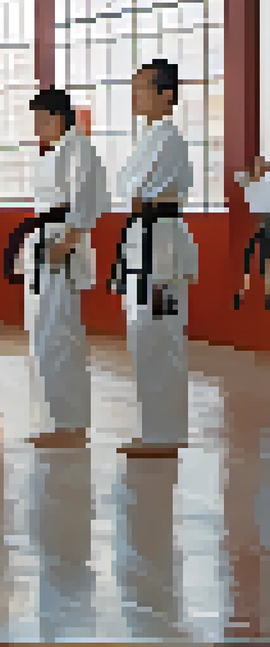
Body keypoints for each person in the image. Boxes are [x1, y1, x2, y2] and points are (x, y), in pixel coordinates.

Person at [5, 88, 106, 450]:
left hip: (60, 244)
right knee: (43, 333)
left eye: (40, 119)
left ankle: (70, 423)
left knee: (59, 332)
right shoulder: (56, 152)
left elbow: (89, 195)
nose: (36, 127)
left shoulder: (79, 149)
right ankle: (58, 419)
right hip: (45, 242)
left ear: (58, 117)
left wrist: (71, 238)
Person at [109, 59, 197, 460]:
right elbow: (126, 186)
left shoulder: (166, 138)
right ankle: (158, 429)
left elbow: (132, 183)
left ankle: (163, 434)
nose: (136, 94)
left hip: (159, 252)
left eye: (143, 87)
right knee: (146, 336)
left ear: (167, 94)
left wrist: (132, 186)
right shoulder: (151, 136)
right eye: (135, 86)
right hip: (148, 243)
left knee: (158, 335)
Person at [233, 154, 270, 310]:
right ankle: (243, 291)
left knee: (265, 260)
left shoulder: (265, 183)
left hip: (264, 222)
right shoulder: (250, 184)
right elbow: (237, 176)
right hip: (257, 223)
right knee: (251, 255)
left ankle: (266, 294)